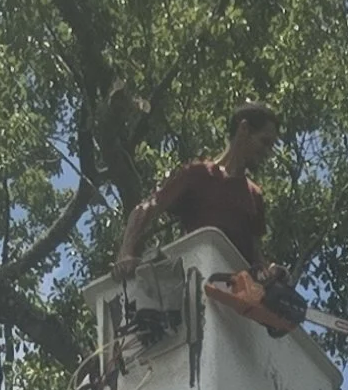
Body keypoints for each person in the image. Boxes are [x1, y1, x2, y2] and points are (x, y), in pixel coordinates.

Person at [111, 103, 306, 334]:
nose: (267, 152)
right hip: (200, 288)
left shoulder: (254, 194)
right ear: (243, 129)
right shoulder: (198, 174)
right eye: (264, 142)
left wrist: (270, 274)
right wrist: (126, 253)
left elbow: (254, 256)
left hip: (236, 305)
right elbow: (145, 209)